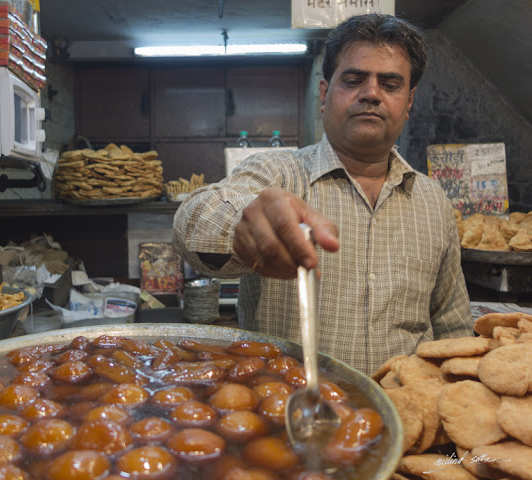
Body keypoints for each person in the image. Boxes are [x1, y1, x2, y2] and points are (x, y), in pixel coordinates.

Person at [172, 13, 474, 376]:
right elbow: (195, 220)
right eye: (353, 79)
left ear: (409, 102)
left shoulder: (433, 202)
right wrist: (243, 224)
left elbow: (452, 325)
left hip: (404, 418)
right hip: (292, 413)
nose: (371, 93)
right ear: (324, 93)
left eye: (390, 84)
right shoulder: (277, 174)